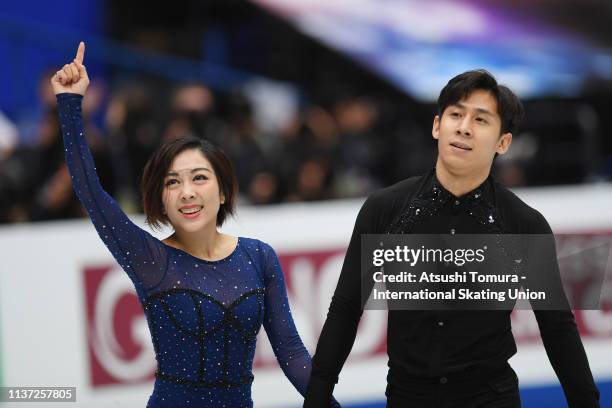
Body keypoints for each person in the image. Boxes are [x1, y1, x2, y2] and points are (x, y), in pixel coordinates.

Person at [51, 42, 340, 408]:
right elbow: (90, 192)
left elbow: (294, 356)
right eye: (173, 182)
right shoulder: (151, 260)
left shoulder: (259, 257)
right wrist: (70, 104)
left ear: (222, 192)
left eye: (199, 178)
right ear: (161, 200)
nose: (187, 192)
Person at [304, 70, 600, 407]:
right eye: (456, 114)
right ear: (436, 126)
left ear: (503, 142)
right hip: (407, 399)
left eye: (481, 119)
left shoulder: (522, 224)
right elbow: (346, 308)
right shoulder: (385, 210)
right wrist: (317, 395)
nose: (463, 127)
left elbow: (556, 326)